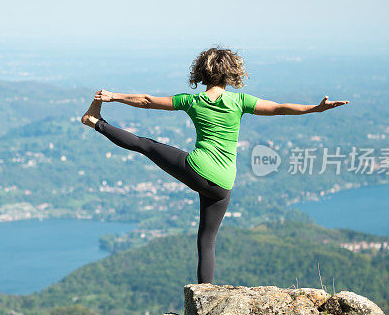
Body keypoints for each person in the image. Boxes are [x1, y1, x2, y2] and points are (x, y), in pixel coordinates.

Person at [80, 47, 348, 284]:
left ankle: (95, 122)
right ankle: (205, 293)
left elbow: (148, 101)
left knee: (146, 145)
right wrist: (315, 109)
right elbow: (279, 108)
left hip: (197, 169)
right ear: (232, 73)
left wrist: (114, 96)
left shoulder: (192, 101)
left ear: (201, 72)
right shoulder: (240, 102)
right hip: (223, 185)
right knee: (207, 240)